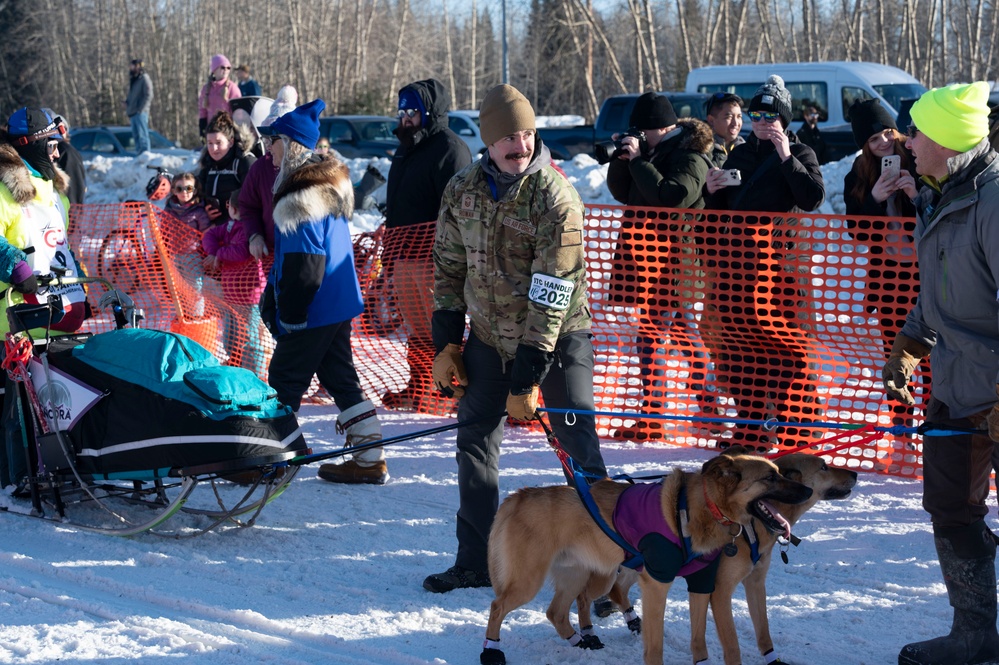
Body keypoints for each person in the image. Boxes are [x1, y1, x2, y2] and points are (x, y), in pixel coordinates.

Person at [423, 84, 607, 593]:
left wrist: (528, 376)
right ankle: (477, 560)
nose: (520, 145)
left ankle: (608, 568)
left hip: (557, 338)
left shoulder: (555, 195)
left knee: (577, 445)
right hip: (487, 337)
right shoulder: (462, 190)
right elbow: (448, 269)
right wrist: (447, 345)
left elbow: (552, 293)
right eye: (509, 136)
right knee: (474, 442)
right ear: (488, 140)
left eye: (527, 133)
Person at [882, 82, 999, 665]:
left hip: (996, 390)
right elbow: (939, 291)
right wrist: (909, 343)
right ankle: (975, 632)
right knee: (951, 506)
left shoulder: (994, 202)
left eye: (919, 132)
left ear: (949, 143)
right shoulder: (944, 192)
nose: (909, 141)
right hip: (957, 390)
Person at [259, 99, 388, 486]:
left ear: (293, 144)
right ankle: (369, 456)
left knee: (283, 379)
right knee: (340, 379)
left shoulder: (299, 195)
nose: (269, 149)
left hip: (314, 308)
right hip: (337, 303)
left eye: (275, 141)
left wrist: (291, 315)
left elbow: (305, 264)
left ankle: (270, 456)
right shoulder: (325, 185)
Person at [703, 74, 826, 451]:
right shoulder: (740, 154)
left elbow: (812, 198)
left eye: (770, 114)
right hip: (739, 270)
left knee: (789, 353)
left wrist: (786, 155)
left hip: (784, 273)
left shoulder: (801, 153)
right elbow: (720, 212)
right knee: (741, 353)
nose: (761, 120)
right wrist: (712, 191)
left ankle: (798, 429)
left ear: (785, 119)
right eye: (756, 113)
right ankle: (750, 429)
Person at [604, 91, 716, 440]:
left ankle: (659, 415)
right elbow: (622, 192)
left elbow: (672, 196)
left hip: (674, 264)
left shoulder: (690, 156)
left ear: (662, 128)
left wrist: (639, 161)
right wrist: (624, 159)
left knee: (654, 338)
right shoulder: (652, 152)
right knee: (677, 334)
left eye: (642, 131)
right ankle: (704, 407)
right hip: (648, 261)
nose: (639, 136)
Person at [0, 106, 89, 490]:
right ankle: (16, 477)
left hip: (53, 313)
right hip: (11, 317)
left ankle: (52, 468)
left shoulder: (56, 195)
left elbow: (59, 247)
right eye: (52, 146)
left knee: (50, 399)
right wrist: (15, 267)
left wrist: (81, 282)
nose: (57, 154)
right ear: (29, 145)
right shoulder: (4, 191)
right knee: (15, 404)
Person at [376, 78, 471, 413]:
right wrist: (389, 254)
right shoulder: (407, 147)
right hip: (404, 255)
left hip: (434, 260)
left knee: (440, 328)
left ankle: (446, 390)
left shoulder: (449, 148)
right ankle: (420, 386)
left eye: (412, 111)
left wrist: (452, 258)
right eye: (402, 111)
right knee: (416, 329)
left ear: (428, 113)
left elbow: (459, 209)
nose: (404, 118)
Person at [844, 99, 923, 439]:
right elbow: (855, 231)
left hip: (925, 273)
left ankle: (935, 418)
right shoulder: (858, 172)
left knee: (932, 354)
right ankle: (901, 420)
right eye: (874, 139)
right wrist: (872, 200)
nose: (884, 142)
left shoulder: (919, 157)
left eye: (887, 132)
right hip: (887, 277)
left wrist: (916, 194)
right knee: (895, 353)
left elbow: (941, 211)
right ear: (864, 144)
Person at [202, 189, 266, 377]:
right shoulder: (229, 225)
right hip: (230, 294)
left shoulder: (250, 228)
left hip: (248, 295)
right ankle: (235, 365)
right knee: (231, 337)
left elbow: (242, 251)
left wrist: (219, 254)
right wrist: (213, 252)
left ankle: (256, 375)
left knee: (249, 338)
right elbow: (209, 236)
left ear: (234, 208)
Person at [241, 85, 298, 262]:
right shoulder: (260, 167)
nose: (267, 143)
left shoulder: (308, 169)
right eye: (265, 137)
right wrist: (255, 235)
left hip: (302, 255)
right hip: (271, 255)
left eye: (272, 138)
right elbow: (248, 206)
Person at [198, 111, 256, 226]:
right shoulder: (207, 165)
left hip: (239, 230)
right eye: (210, 143)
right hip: (213, 231)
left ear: (230, 142)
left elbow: (253, 202)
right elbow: (196, 194)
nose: (213, 148)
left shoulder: (244, 162)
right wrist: (204, 214)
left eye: (218, 142)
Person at [198, 54, 241, 139]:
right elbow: (202, 109)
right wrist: (202, 127)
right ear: (214, 70)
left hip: (227, 130)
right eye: (222, 67)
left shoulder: (232, 87)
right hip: (211, 130)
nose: (226, 70)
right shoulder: (206, 88)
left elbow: (238, 111)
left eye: (228, 68)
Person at [704, 92, 745, 168]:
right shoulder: (701, 150)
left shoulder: (745, 150)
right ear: (711, 120)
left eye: (739, 117)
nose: (735, 123)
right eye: (729, 117)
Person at [125, 58, 153, 154]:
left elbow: (148, 95)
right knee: (136, 136)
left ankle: (146, 155)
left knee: (142, 135)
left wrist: (141, 109)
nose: (130, 68)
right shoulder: (134, 79)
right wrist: (127, 103)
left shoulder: (144, 78)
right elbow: (132, 95)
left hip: (140, 112)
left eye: (132, 66)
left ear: (138, 66)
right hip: (133, 112)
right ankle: (139, 154)